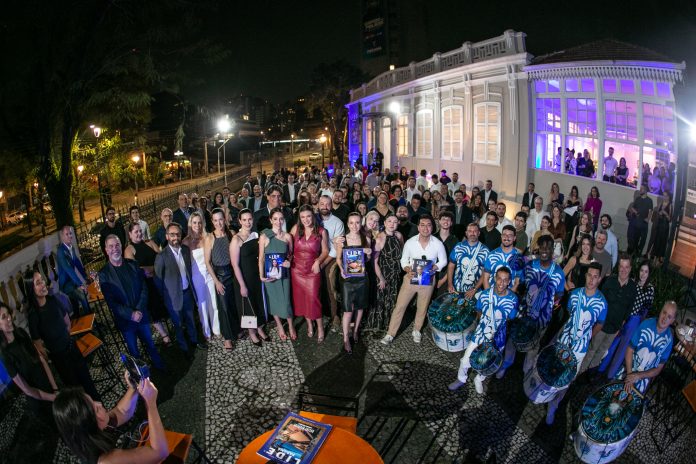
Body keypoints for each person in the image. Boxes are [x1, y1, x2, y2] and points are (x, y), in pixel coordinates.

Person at [53, 377, 168, 464]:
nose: (99, 403)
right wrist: (150, 403)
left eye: (93, 401)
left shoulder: (86, 434)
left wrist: (134, 387)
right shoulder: (108, 460)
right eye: (96, 409)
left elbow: (121, 412)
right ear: (91, 424)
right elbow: (160, 452)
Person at [24, 270, 100, 401]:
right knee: (76, 391)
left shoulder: (53, 299)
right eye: (38, 283)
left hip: (72, 347)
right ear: (31, 289)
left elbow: (67, 322)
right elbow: (38, 345)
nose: (43, 284)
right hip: (60, 358)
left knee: (88, 381)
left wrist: (66, 338)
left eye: (42, 280)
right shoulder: (33, 315)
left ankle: (100, 407)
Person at [545, 263, 607, 425]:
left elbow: (600, 324)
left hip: (580, 349)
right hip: (564, 341)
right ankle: (546, 394)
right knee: (555, 368)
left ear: (599, 279)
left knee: (567, 378)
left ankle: (553, 405)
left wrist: (587, 336)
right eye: (589, 275)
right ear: (585, 276)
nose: (591, 280)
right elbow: (570, 313)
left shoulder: (602, 303)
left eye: (595, 277)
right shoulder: (574, 294)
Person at [498, 236, 565, 378]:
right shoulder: (530, 265)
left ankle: (526, 373)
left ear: (552, 250)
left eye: (548, 247)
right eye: (542, 247)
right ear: (538, 248)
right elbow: (517, 273)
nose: (544, 250)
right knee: (513, 338)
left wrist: (550, 305)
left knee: (534, 346)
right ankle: (506, 364)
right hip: (524, 311)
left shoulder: (558, 272)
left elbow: (559, 294)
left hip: (542, 317)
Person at [448, 267, 519, 394]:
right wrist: (484, 323)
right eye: (499, 279)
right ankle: (461, 379)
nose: (501, 283)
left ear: (509, 282)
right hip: (481, 332)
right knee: (465, 359)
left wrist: (498, 329)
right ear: (495, 279)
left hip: (499, 337)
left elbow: (511, 318)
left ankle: (479, 379)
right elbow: (478, 310)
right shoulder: (485, 294)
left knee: (488, 363)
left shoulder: (513, 299)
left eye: (505, 280)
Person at [100, 235, 165, 370]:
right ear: (106, 250)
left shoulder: (133, 264)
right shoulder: (104, 274)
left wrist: (139, 310)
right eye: (111, 246)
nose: (115, 249)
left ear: (121, 246)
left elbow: (144, 289)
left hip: (142, 316)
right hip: (126, 321)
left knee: (151, 345)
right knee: (135, 353)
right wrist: (131, 314)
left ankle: (161, 368)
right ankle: (143, 377)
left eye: (117, 245)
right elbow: (111, 302)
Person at [381, 215, 447, 345]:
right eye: (422, 225)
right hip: (411, 277)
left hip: (428, 278)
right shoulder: (410, 242)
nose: (425, 228)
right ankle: (390, 333)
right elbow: (403, 260)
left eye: (428, 225)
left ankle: (417, 330)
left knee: (422, 307)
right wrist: (407, 269)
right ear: (418, 227)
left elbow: (443, 261)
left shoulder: (438, 243)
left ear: (432, 227)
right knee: (400, 306)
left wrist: (434, 267)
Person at [580, 254, 637, 376]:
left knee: (601, 352)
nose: (623, 270)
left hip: (614, 329)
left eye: (626, 267)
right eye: (621, 266)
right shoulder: (610, 281)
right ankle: (580, 373)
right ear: (618, 267)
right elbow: (599, 303)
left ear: (630, 268)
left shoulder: (633, 288)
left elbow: (628, 311)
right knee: (591, 350)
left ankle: (589, 376)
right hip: (601, 326)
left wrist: (619, 329)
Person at [154, 222, 206, 358]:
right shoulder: (161, 256)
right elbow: (158, 281)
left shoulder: (185, 250)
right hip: (172, 298)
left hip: (187, 292)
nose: (175, 237)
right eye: (172, 234)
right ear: (167, 236)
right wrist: (166, 298)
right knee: (178, 325)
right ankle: (184, 348)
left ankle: (194, 341)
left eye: (177, 234)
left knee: (190, 320)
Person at [599, 260, 654, 379]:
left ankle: (610, 375)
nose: (643, 274)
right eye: (641, 270)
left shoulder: (650, 289)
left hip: (634, 321)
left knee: (622, 349)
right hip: (622, 316)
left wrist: (639, 326)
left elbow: (646, 310)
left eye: (646, 272)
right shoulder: (632, 282)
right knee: (612, 344)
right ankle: (600, 368)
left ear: (649, 274)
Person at [0, 302, 57, 418]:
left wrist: (55, 388)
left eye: (8, 314)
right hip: (39, 401)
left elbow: (41, 360)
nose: (9, 318)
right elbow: (27, 389)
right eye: (4, 317)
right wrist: (52, 397)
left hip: (50, 387)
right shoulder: (5, 354)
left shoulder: (21, 333)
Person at [123, 223, 171, 346]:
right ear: (130, 234)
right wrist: (155, 268)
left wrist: (151, 270)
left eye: (140, 231)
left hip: (160, 279)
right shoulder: (129, 250)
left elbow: (162, 258)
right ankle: (164, 334)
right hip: (146, 284)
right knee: (152, 311)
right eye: (136, 232)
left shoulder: (150, 242)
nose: (139, 233)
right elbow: (136, 271)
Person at [615, 301, 676, 395]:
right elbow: (629, 349)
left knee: (630, 401)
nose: (665, 318)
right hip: (628, 368)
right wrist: (630, 376)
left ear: (672, 321)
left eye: (669, 317)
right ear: (660, 311)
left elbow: (658, 369)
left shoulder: (669, 341)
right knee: (614, 394)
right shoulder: (646, 324)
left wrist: (638, 376)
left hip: (643, 379)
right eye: (664, 313)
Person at [291, 205, 329, 343]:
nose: (306, 220)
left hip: (312, 270)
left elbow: (325, 251)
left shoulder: (321, 231)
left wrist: (318, 261)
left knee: (314, 300)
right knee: (302, 299)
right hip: (297, 270)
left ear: (313, 216)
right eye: (302, 217)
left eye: (308, 216)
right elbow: (287, 246)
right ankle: (309, 324)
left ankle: (320, 327)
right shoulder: (295, 229)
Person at [231, 209, 269, 345]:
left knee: (258, 303)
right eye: (244, 220)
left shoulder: (255, 235)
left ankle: (259, 328)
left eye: (250, 219)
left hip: (256, 277)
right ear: (240, 221)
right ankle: (252, 332)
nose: (247, 222)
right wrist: (242, 285)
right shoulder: (236, 239)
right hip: (244, 278)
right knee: (247, 306)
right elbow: (235, 265)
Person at [335, 213, 372, 354]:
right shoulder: (342, 240)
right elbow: (338, 259)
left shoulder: (366, 238)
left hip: (361, 278)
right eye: (351, 223)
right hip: (347, 279)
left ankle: (355, 331)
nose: (354, 225)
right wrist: (341, 270)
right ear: (348, 224)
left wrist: (368, 253)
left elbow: (367, 260)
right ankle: (345, 338)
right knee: (348, 309)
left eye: (357, 222)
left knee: (360, 307)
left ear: (361, 223)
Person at [204, 209, 239, 352]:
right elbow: (207, 263)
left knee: (233, 304)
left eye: (220, 219)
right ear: (212, 222)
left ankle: (236, 330)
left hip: (233, 273)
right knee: (224, 307)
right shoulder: (210, 238)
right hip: (220, 276)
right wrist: (216, 282)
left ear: (224, 219)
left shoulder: (231, 234)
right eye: (215, 220)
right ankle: (227, 338)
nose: (218, 223)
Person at [259, 208, 296, 341]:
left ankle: (291, 325)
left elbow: (291, 254)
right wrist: (261, 276)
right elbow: (261, 258)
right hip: (270, 275)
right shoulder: (264, 236)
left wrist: (289, 261)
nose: (278, 222)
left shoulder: (288, 236)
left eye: (281, 219)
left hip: (284, 274)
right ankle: (280, 326)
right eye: (275, 219)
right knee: (273, 301)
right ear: (271, 220)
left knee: (286, 301)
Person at [182, 212, 219, 341]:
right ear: (190, 224)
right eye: (194, 222)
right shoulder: (186, 242)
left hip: (210, 273)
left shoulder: (207, 237)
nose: (197, 225)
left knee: (213, 302)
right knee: (202, 304)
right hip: (196, 276)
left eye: (199, 222)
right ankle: (206, 331)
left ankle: (217, 328)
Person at [369, 214, 404, 332]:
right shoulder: (379, 238)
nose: (392, 224)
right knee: (381, 300)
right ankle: (378, 326)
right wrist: (381, 278)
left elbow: (402, 253)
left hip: (395, 273)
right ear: (384, 223)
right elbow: (374, 262)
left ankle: (390, 325)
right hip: (383, 273)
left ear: (398, 223)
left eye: (395, 221)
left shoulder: (399, 236)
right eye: (389, 221)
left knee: (392, 299)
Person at [317, 195, 345, 333]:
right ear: (318, 205)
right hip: (315, 256)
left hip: (331, 257)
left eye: (328, 204)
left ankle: (335, 315)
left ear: (331, 206)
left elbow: (336, 248)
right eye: (322, 204)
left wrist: (323, 264)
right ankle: (317, 313)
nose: (325, 206)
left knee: (330, 284)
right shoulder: (313, 218)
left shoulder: (337, 222)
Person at [55, 225, 91, 316]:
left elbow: (77, 263)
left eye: (70, 233)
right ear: (62, 236)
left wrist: (85, 277)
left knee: (75, 306)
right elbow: (68, 269)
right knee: (82, 296)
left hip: (72, 281)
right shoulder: (60, 251)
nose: (70, 236)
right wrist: (80, 284)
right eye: (67, 234)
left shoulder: (71, 247)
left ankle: (78, 320)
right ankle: (90, 319)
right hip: (66, 284)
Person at [447, 222, 489, 299]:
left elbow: (485, 273)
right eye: (470, 231)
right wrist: (450, 284)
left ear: (479, 233)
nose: (472, 233)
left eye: (475, 231)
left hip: (475, 291)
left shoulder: (485, 250)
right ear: (466, 233)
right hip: (456, 289)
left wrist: (474, 289)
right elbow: (451, 266)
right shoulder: (459, 246)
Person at [481, 225, 523, 292]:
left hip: (509, 295)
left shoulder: (519, 258)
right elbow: (485, 279)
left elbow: (517, 283)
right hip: (491, 293)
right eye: (504, 235)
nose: (506, 237)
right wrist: (489, 296)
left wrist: (507, 297)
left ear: (514, 238)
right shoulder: (492, 255)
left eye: (510, 235)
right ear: (501, 236)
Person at [626, 184, 653, 256]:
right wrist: (636, 212)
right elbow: (633, 208)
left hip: (643, 223)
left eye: (642, 189)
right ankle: (630, 252)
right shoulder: (638, 199)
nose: (640, 190)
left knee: (641, 240)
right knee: (632, 237)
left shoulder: (649, 200)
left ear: (646, 190)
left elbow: (650, 211)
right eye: (640, 188)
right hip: (635, 222)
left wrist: (648, 219)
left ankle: (637, 254)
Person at [647, 191, 672, 264]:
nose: (664, 197)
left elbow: (670, 219)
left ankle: (659, 259)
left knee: (662, 242)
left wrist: (665, 214)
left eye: (666, 196)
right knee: (656, 241)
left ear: (669, 197)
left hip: (665, 226)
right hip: (659, 224)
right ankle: (653, 258)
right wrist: (659, 213)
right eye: (663, 196)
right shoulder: (661, 203)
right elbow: (656, 213)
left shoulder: (670, 205)